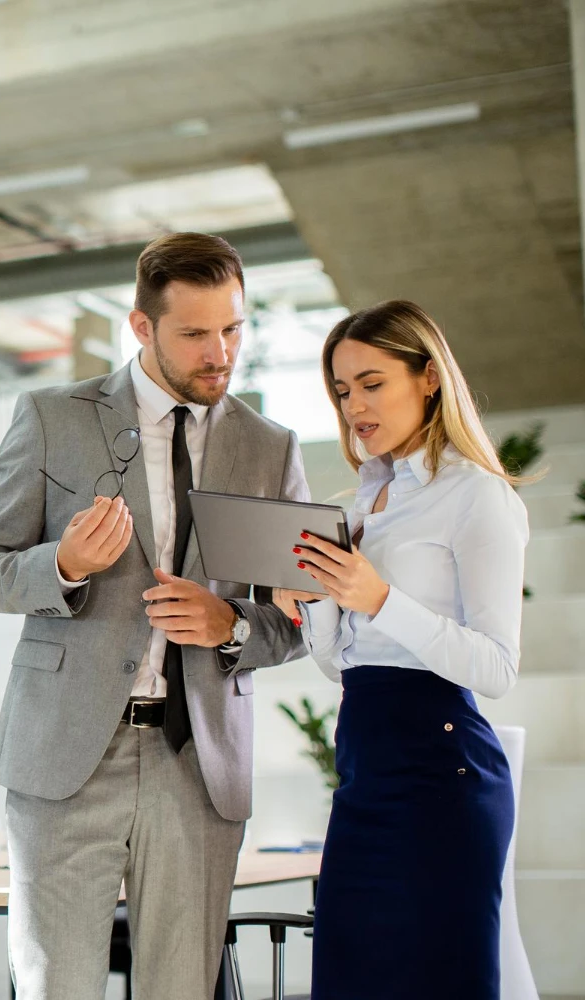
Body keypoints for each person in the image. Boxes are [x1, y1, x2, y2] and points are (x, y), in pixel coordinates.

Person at [0, 232, 309, 1000]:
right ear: (141, 328)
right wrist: (63, 566)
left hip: (199, 763)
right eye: (194, 334)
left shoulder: (270, 449)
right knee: (57, 987)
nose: (220, 352)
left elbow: (297, 623)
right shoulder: (53, 417)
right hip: (66, 757)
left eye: (233, 329)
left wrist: (233, 625)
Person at [273, 300, 526, 999]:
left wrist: (378, 597)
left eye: (372, 381)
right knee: (348, 980)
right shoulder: (357, 507)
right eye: (343, 389)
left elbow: (497, 667)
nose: (355, 403)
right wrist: (315, 600)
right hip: (364, 765)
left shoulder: (478, 497)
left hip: (444, 773)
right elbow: (342, 664)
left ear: (428, 378)